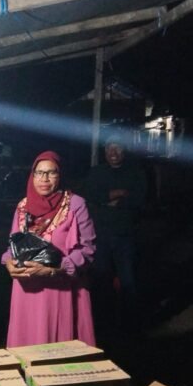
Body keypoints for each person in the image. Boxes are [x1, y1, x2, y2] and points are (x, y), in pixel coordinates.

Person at [3, 151, 96, 347]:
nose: (44, 179)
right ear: (32, 175)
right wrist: (9, 262)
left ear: (60, 175)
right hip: (26, 290)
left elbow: (88, 249)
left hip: (59, 288)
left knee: (55, 346)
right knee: (26, 347)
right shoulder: (23, 206)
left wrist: (55, 269)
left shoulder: (75, 205)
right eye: (39, 173)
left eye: (51, 172)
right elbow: (13, 245)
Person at [84, 137, 147, 332]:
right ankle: (102, 324)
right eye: (110, 149)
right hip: (100, 236)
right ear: (105, 152)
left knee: (128, 281)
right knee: (101, 281)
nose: (113, 153)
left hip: (125, 236)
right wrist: (118, 193)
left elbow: (140, 200)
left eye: (118, 148)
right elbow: (90, 196)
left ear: (124, 150)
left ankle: (130, 326)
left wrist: (107, 201)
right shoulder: (97, 173)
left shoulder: (136, 173)